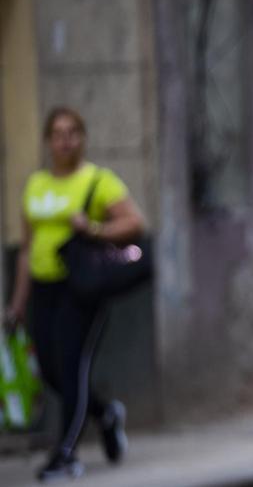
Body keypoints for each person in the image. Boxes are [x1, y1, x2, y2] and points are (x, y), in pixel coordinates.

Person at [4, 107, 145, 481]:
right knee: (49, 369)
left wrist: (94, 228)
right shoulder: (35, 185)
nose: (65, 140)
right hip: (43, 288)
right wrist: (17, 303)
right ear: (48, 140)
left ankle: (65, 453)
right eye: (58, 133)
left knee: (71, 367)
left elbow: (135, 223)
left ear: (83, 138)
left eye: (73, 132)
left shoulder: (98, 180)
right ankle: (106, 413)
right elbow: (26, 248)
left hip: (81, 288)